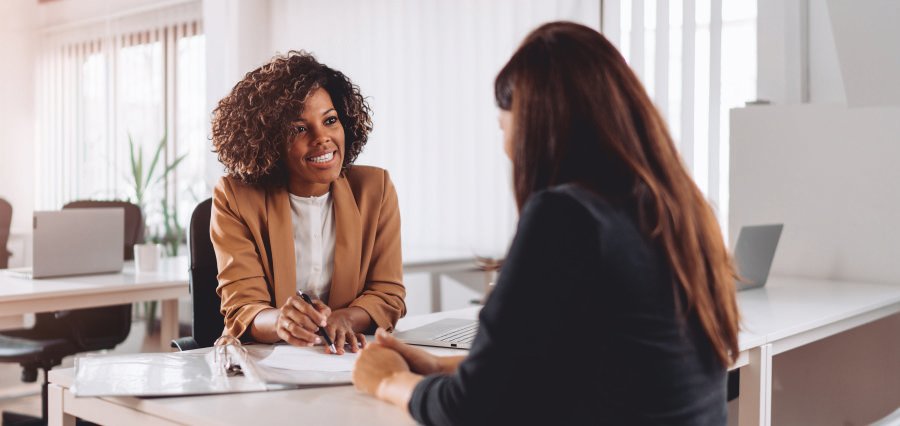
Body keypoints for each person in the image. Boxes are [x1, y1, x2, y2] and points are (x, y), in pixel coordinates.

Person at [352, 21, 740, 424]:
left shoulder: (567, 217)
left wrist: (389, 381)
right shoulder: (683, 210)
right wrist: (439, 367)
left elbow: (473, 410)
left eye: (504, 127)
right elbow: (587, 366)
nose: (506, 150)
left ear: (536, 126)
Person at [210, 51, 405, 355]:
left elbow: (388, 294)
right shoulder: (235, 197)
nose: (322, 138)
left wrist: (345, 319)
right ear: (271, 140)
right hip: (264, 363)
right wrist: (280, 322)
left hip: (344, 359)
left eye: (330, 120)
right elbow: (243, 307)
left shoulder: (374, 190)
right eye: (299, 128)